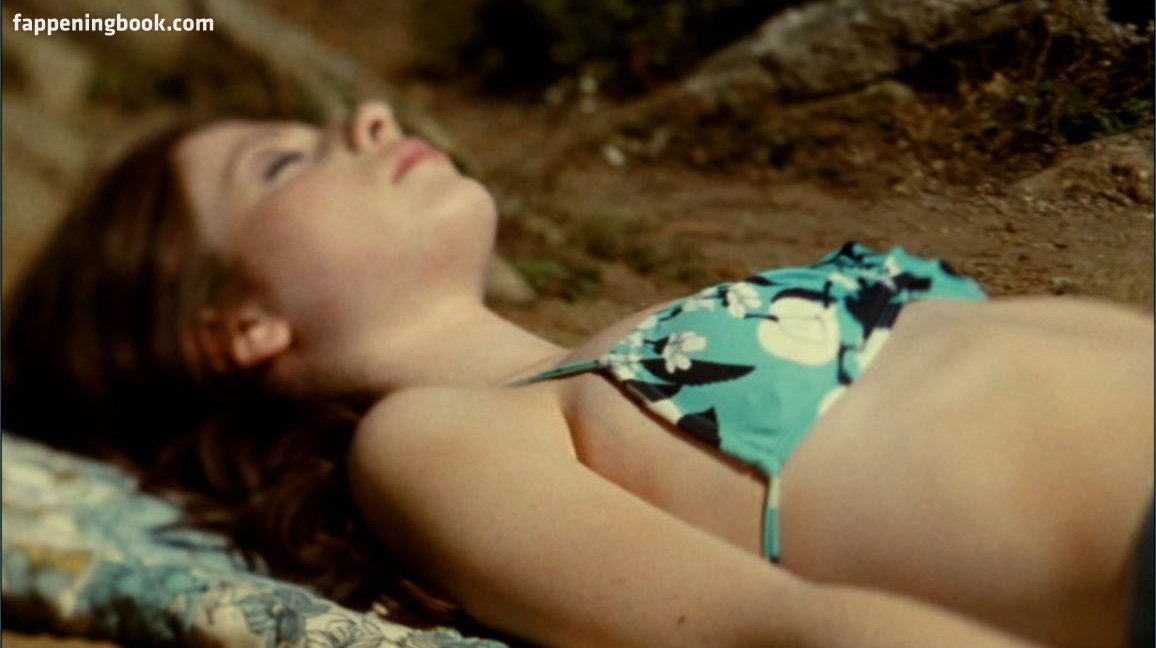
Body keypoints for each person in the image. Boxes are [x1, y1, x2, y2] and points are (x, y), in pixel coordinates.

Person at [3, 100, 1152, 648]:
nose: (367, 116)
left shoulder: (608, 351)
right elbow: (769, 634)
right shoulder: (434, 440)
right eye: (280, 162)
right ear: (238, 327)